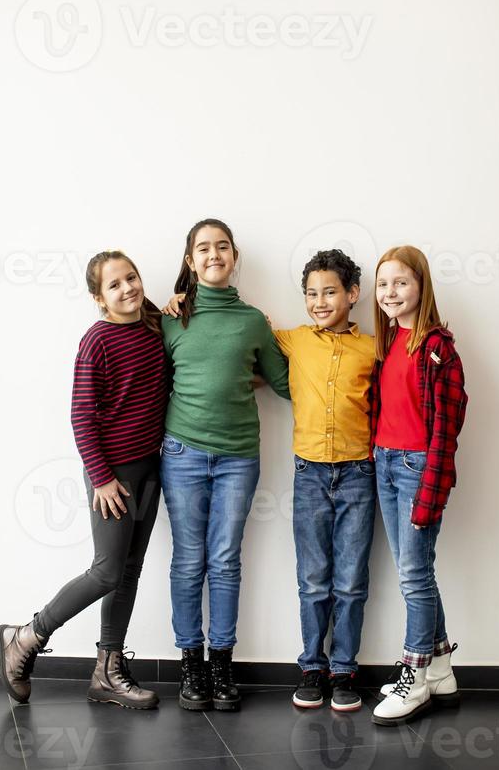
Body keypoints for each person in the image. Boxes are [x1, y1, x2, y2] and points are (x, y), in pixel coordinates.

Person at [0, 251, 168, 709]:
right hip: (114, 476)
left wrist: (175, 305)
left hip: (153, 466)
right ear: (99, 298)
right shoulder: (98, 341)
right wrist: (102, 479)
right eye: (115, 285)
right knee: (107, 570)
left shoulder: (154, 325)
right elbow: (81, 417)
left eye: (132, 277)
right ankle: (26, 636)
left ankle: (107, 672)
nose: (128, 288)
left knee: (128, 571)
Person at [160, 218, 290, 712]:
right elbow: (155, 379)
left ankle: (221, 663)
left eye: (222, 247)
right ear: (190, 261)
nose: (214, 254)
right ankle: (190, 663)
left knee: (225, 560)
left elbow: (282, 382)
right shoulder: (171, 318)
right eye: (203, 248)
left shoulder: (254, 320)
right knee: (189, 560)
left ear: (234, 257)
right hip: (182, 454)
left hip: (238, 457)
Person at [272, 250, 376, 713]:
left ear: (352, 294)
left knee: (351, 580)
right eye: (311, 293)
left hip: (359, 473)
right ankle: (312, 666)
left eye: (330, 291)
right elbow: (239, 340)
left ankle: (344, 669)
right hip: (308, 473)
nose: (319, 301)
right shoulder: (292, 340)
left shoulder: (374, 348)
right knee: (313, 578)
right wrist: (176, 302)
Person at [370, 246, 467, 726]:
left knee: (413, 575)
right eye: (383, 283)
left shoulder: (437, 348)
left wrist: (431, 486)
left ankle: (415, 677)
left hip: (416, 468)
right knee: (418, 571)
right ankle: (442, 667)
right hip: (384, 463)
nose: (391, 292)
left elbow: (446, 430)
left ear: (421, 286)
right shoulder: (388, 341)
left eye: (401, 282)